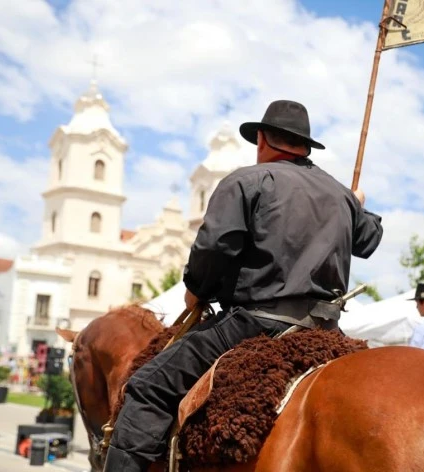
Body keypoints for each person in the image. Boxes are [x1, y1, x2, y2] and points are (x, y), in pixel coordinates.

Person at [104, 99, 384, 471]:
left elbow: (216, 246)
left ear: (263, 139)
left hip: (257, 324)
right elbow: (369, 240)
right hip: (325, 329)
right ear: (305, 145)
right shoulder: (340, 194)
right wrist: (357, 206)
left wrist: (196, 290)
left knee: (146, 388)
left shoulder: (246, 180)